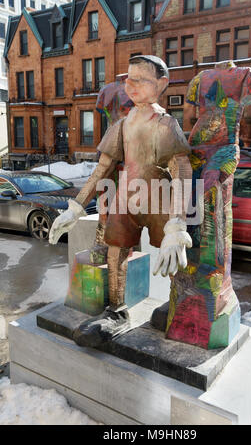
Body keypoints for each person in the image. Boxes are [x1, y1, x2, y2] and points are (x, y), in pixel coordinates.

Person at [49, 55, 193, 346]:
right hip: (127, 200)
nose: (131, 84)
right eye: (129, 78)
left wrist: (178, 223)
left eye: (141, 79)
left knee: (175, 257)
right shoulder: (123, 125)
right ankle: (116, 310)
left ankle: (177, 304)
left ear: (161, 84)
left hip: (158, 200)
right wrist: (75, 208)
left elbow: (181, 168)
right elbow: (102, 169)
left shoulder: (165, 124)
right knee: (116, 252)